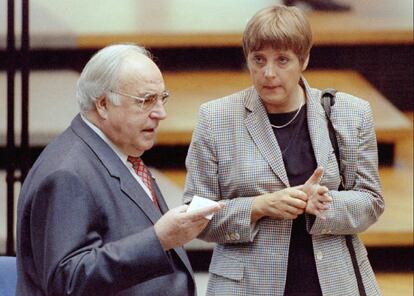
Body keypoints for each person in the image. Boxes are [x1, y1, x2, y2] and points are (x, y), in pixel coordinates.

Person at [184, 5, 383, 296]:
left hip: (331, 283)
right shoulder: (216, 118)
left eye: (282, 60)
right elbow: (195, 213)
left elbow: (371, 201)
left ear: (304, 60)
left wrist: (326, 204)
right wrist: (258, 207)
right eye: (258, 59)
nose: (268, 73)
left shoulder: (351, 114)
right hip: (247, 285)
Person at [16, 44, 223, 296]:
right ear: (103, 104)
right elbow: (67, 281)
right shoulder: (66, 173)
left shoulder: (119, 148)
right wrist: (158, 239)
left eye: (162, 98)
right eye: (146, 100)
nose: (161, 113)